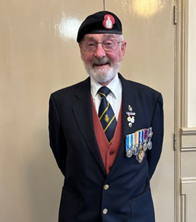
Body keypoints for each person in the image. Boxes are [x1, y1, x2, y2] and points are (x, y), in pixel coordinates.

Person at [48, 11, 163, 222]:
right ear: (81, 51)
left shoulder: (150, 100)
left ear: (122, 49)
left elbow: (150, 160)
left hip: (133, 215)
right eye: (91, 45)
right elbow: (63, 158)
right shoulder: (60, 103)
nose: (100, 53)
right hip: (80, 214)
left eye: (108, 43)